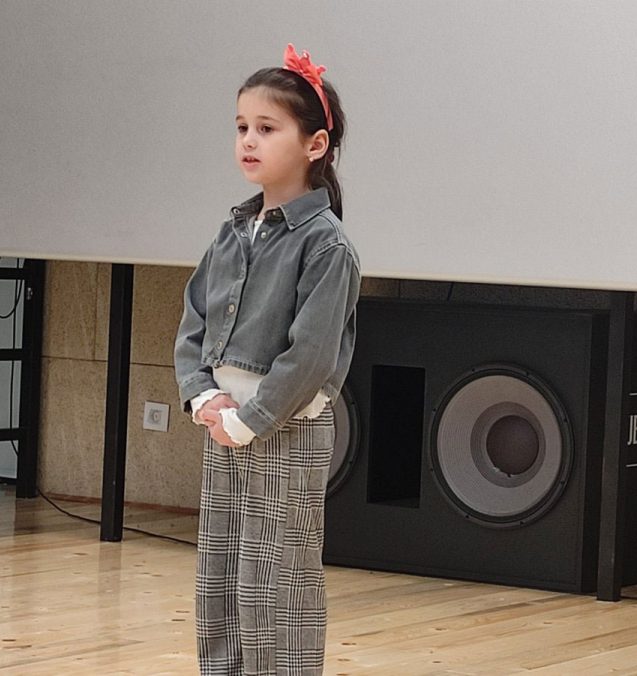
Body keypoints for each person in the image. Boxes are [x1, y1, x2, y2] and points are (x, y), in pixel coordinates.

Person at [173, 43, 360, 676]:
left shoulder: (325, 246)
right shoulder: (232, 232)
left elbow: (312, 354)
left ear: (314, 145)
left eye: (267, 128)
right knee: (221, 572)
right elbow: (194, 321)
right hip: (224, 425)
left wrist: (250, 419)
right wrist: (205, 398)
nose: (248, 140)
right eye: (242, 127)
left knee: (277, 578)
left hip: (284, 429)